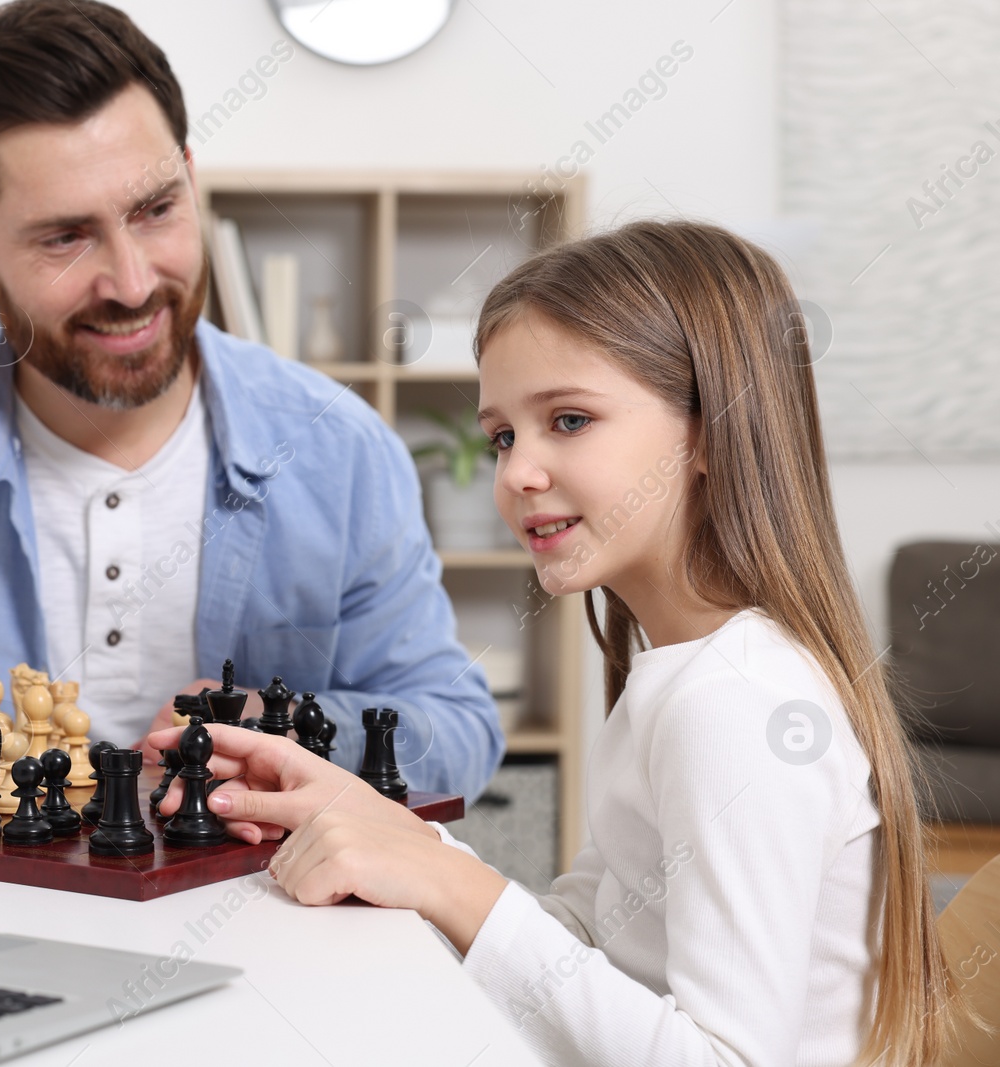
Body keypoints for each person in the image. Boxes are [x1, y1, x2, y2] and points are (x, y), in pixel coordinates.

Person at [154, 219, 965, 1065]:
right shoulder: (679, 674)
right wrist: (384, 829)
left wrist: (448, 881)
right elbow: (585, 940)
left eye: (569, 420)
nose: (516, 472)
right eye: (503, 434)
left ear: (712, 433)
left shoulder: (734, 702)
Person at [0, 0, 502, 801]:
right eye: (65, 237)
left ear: (191, 177)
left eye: (155, 210)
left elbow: (456, 732)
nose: (134, 282)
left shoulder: (340, 451)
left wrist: (282, 725)